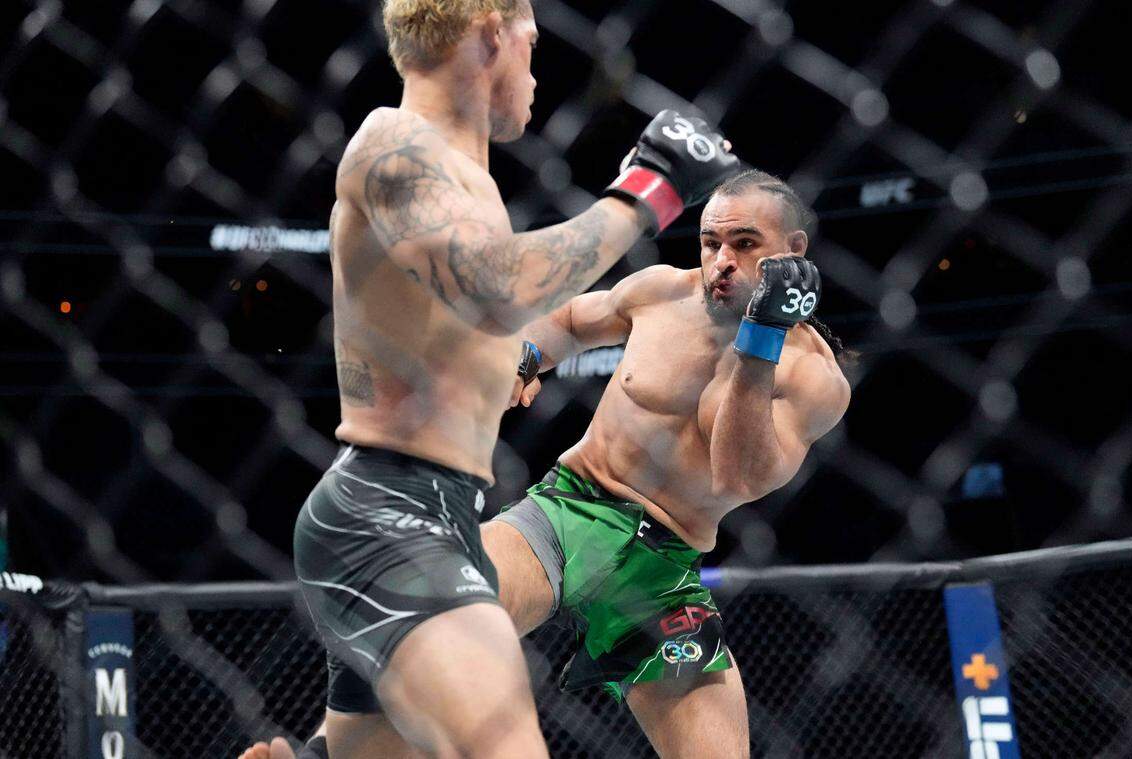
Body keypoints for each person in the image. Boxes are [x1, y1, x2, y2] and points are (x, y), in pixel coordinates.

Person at [244, 170, 849, 759]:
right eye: (711, 242)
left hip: (662, 572)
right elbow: (567, 322)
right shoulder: (662, 292)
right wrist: (525, 357)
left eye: (744, 245)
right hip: (568, 511)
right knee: (418, 604)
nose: (721, 261)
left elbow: (736, 476)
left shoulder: (812, 377)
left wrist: (760, 339)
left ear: (793, 252)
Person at [287, 0, 741, 754]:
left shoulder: (462, 180)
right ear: (493, 32)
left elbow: (447, 338)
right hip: (387, 516)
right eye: (534, 39)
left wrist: (514, 364)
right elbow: (496, 289)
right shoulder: (394, 140)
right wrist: (648, 190)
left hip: (441, 514)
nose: (537, 65)